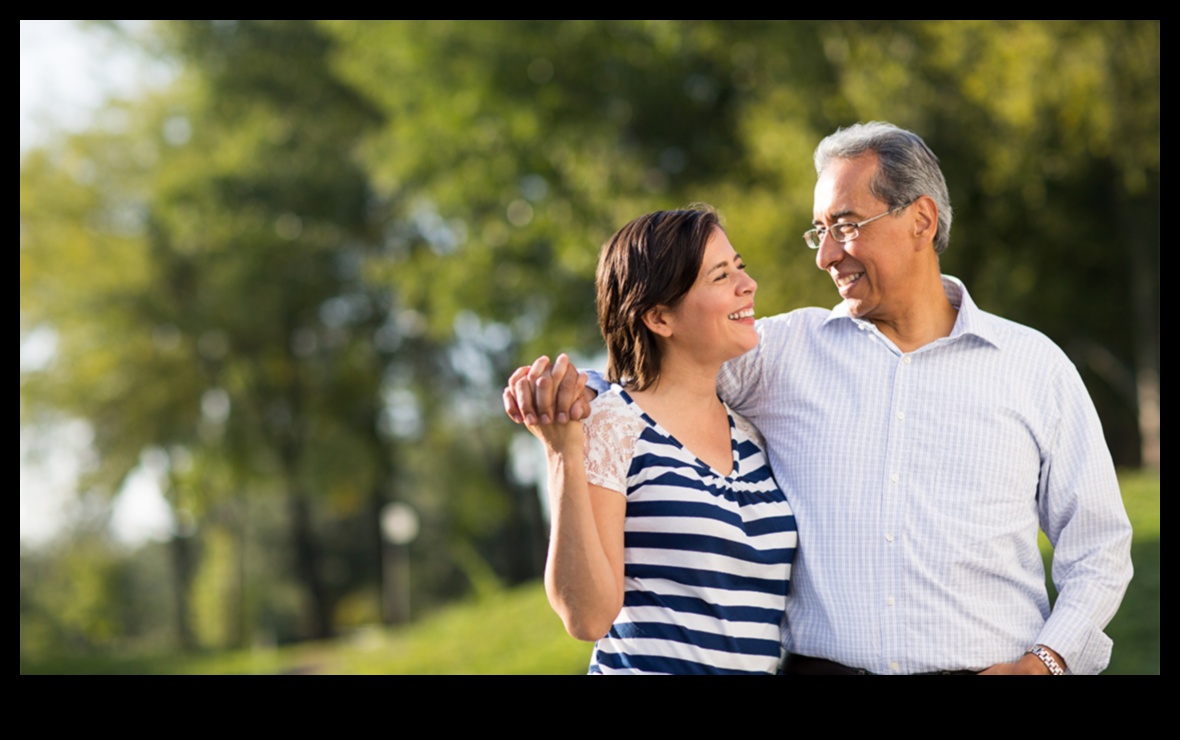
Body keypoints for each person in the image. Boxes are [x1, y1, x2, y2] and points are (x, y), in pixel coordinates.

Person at [507, 122, 1133, 674]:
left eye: (846, 226)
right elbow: (660, 373)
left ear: (921, 220)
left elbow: (1099, 547)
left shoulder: (1033, 367)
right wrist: (570, 395)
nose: (826, 255)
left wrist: (1048, 664)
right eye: (820, 232)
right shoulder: (781, 354)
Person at [518, 206, 797, 674]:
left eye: (740, 267)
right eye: (720, 276)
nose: (747, 285)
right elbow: (587, 616)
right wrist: (562, 451)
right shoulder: (612, 423)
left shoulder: (752, 435)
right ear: (660, 318)